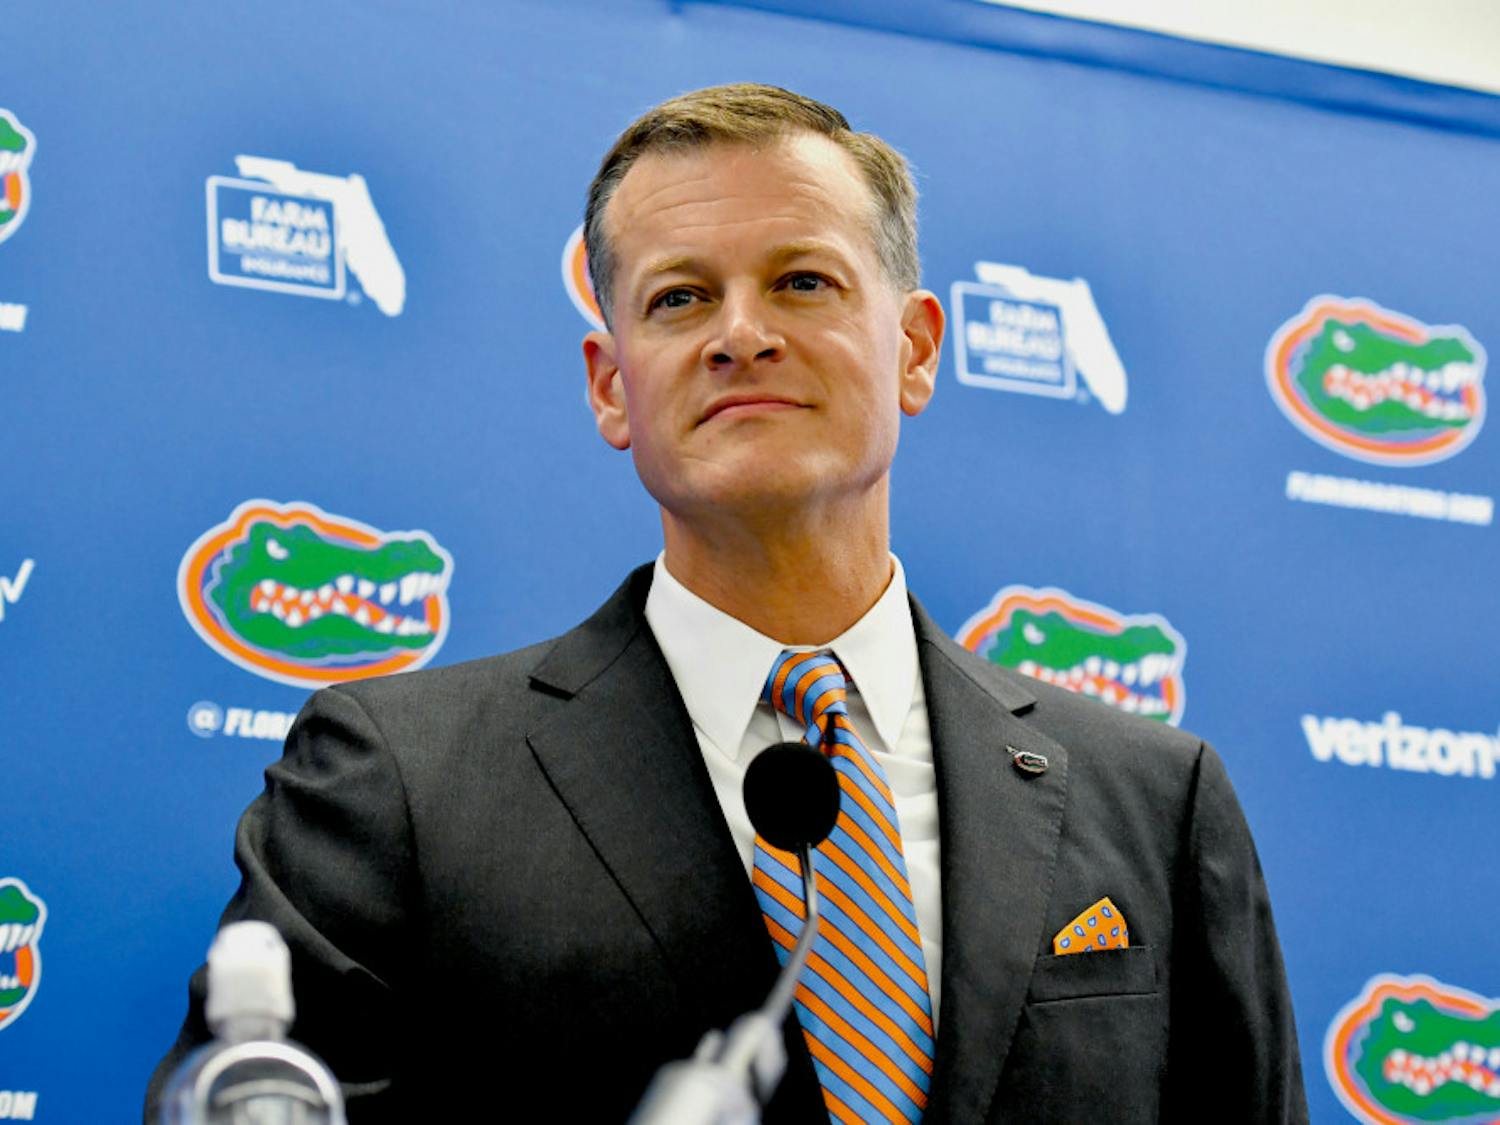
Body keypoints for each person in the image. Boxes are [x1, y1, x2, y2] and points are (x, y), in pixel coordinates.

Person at [148, 84, 1307, 1123]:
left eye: (801, 282)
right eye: (680, 300)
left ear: (915, 350)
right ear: (613, 388)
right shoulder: (397, 779)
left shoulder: (1155, 802)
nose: (740, 335)